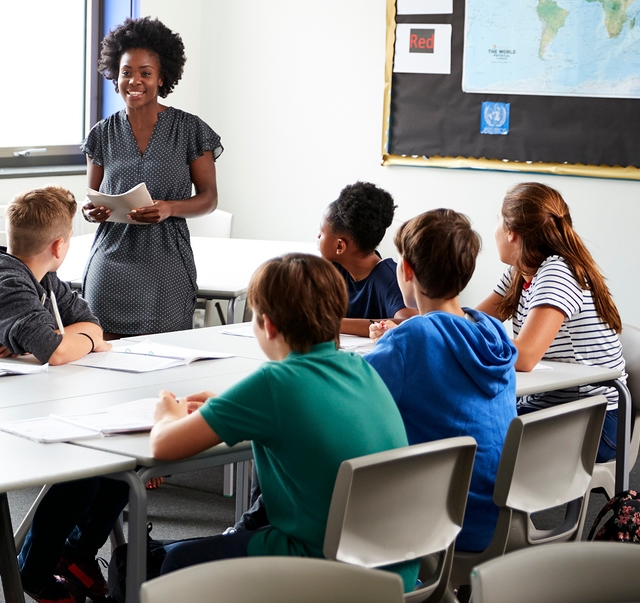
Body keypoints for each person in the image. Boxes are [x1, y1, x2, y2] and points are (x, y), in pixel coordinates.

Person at [149, 253, 418, 591]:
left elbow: (163, 445)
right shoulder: (361, 366)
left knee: (175, 563)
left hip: (322, 570)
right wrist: (228, 408)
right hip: (394, 567)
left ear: (268, 324)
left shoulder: (275, 382)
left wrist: (167, 415)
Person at [0, 186, 120, 603]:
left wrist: (66, 337)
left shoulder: (42, 278)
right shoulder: (7, 285)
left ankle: (46, 565)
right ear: (59, 245)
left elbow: (89, 322)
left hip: (24, 400)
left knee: (109, 455)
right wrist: (73, 341)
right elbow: (61, 350)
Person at [365, 209, 517, 552]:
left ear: (405, 270)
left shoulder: (413, 339)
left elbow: (345, 395)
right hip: (495, 518)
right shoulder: (493, 332)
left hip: (435, 523)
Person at [81, 16, 222, 338]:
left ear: (161, 78)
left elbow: (209, 198)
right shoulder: (101, 134)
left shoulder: (190, 130)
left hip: (166, 263)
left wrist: (171, 208)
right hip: (110, 262)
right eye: (126, 72)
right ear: (114, 76)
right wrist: (92, 211)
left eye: (145, 73)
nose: (134, 81)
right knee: (101, 358)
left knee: (168, 355)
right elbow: (92, 196)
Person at [475, 182, 626, 463]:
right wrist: (425, 323)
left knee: (475, 436)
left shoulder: (558, 270)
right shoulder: (520, 271)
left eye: (498, 219)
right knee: (467, 423)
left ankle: (500, 507)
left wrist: (460, 339)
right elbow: (473, 321)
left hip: (599, 420)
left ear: (511, 233)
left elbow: (527, 356)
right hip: (556, 407)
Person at [318, 181, 415, 337]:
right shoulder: (333, 268)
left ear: (340, 247)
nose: (318, 237)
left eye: (321, 232)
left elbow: (410, 321)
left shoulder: (389, 278)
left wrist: (334, 324)